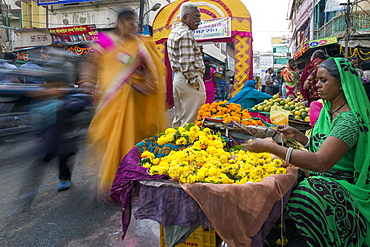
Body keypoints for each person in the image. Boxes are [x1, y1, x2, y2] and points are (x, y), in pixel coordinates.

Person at [243, 57, 370, 246]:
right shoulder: (328, 111)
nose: (316, 85)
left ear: (342, 84)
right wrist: (299, 137)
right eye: (317, 79)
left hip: (343, 184)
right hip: (321, 176)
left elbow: (321, 162)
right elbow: (322, 143)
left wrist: (272, 148)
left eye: (323, 80)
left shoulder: (348, 121)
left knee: (303, 194)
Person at [78, 8, 166, 197]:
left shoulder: (139, 44)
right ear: (120, 23)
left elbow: (151, 70)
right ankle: (110, 178)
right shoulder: (105, 40)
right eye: (130, 22)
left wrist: (147, 86)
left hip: (133, 102)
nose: (133, 26)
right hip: (109, 101)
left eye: (135, 23)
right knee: (105, 138)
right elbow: (90, 62)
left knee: (129, 139)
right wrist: (86, 81)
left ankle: (127, 179)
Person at [167, 2, 205, 127]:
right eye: (196, 17)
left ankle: (174, 145)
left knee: (179, 119)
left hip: (179, 78)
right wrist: (195, 82)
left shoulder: (176, 32)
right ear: (185, 18)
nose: (199, 20)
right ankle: (187, 146)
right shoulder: (186, 34)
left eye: (199, 17)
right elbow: (187, 63)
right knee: (191, 120)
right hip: (189, 79)